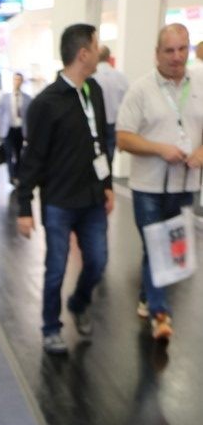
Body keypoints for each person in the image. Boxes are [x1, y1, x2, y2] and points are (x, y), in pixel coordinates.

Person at [16, 23, 113, 356]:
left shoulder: (94, 90)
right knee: (55, 269)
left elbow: (101, 141)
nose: (100, 52)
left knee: (98, 262)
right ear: (83, 54)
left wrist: (107, 185)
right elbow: (32, 159)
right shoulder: (46, 103)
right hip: (59, 202)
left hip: (93, 199)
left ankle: (79, 302)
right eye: (96, 46)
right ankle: (50, 328)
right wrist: (25, 207)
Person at [116, 23, 203, 342]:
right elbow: (123, 138)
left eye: (182, 49)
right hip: (148, 188)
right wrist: (159, 148)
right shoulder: (141, 90)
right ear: (157, 54)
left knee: (169, 247)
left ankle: (147, 296)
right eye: (169, 50)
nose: (176, 56)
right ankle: (160, 314)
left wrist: (200, 153)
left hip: (186, 185)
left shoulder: (200, 83)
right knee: (157, 246)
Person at [92, 45, 128, 165]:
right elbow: (126, 101)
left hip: (96, 123)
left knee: (97, 154)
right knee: (110, 155)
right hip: (115, 122)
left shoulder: (92, 77)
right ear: (109, 57)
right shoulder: (120, 77)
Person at [0, 72, 32, 185]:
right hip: (8, 130)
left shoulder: (27, 98)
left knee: (18, 153)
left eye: (19, 79)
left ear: (22, 82)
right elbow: (1, 115)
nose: (17, 82)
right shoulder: (5, 97)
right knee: (8, 153)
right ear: (12, 81)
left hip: (20, 130)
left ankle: (17, 174)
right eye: (15, 79)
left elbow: (29, 117)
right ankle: (11, 176)